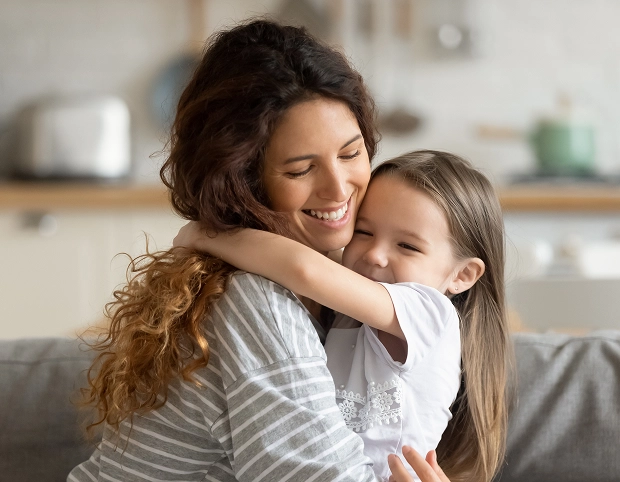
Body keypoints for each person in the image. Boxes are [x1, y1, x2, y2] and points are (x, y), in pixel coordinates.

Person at [68, 19, 451, 482]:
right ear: (245, 180)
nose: (338, 189)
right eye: (300, 170)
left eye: (350, 154)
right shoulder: (257, 300)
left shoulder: (337, 287)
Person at [173, 150, 511, 481]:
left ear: (462, 275)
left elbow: (305, 269)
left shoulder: (431, 314)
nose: (375, 255)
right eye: (363, 232)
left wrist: (203, 235)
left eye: (407, 246)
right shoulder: (356, 310)